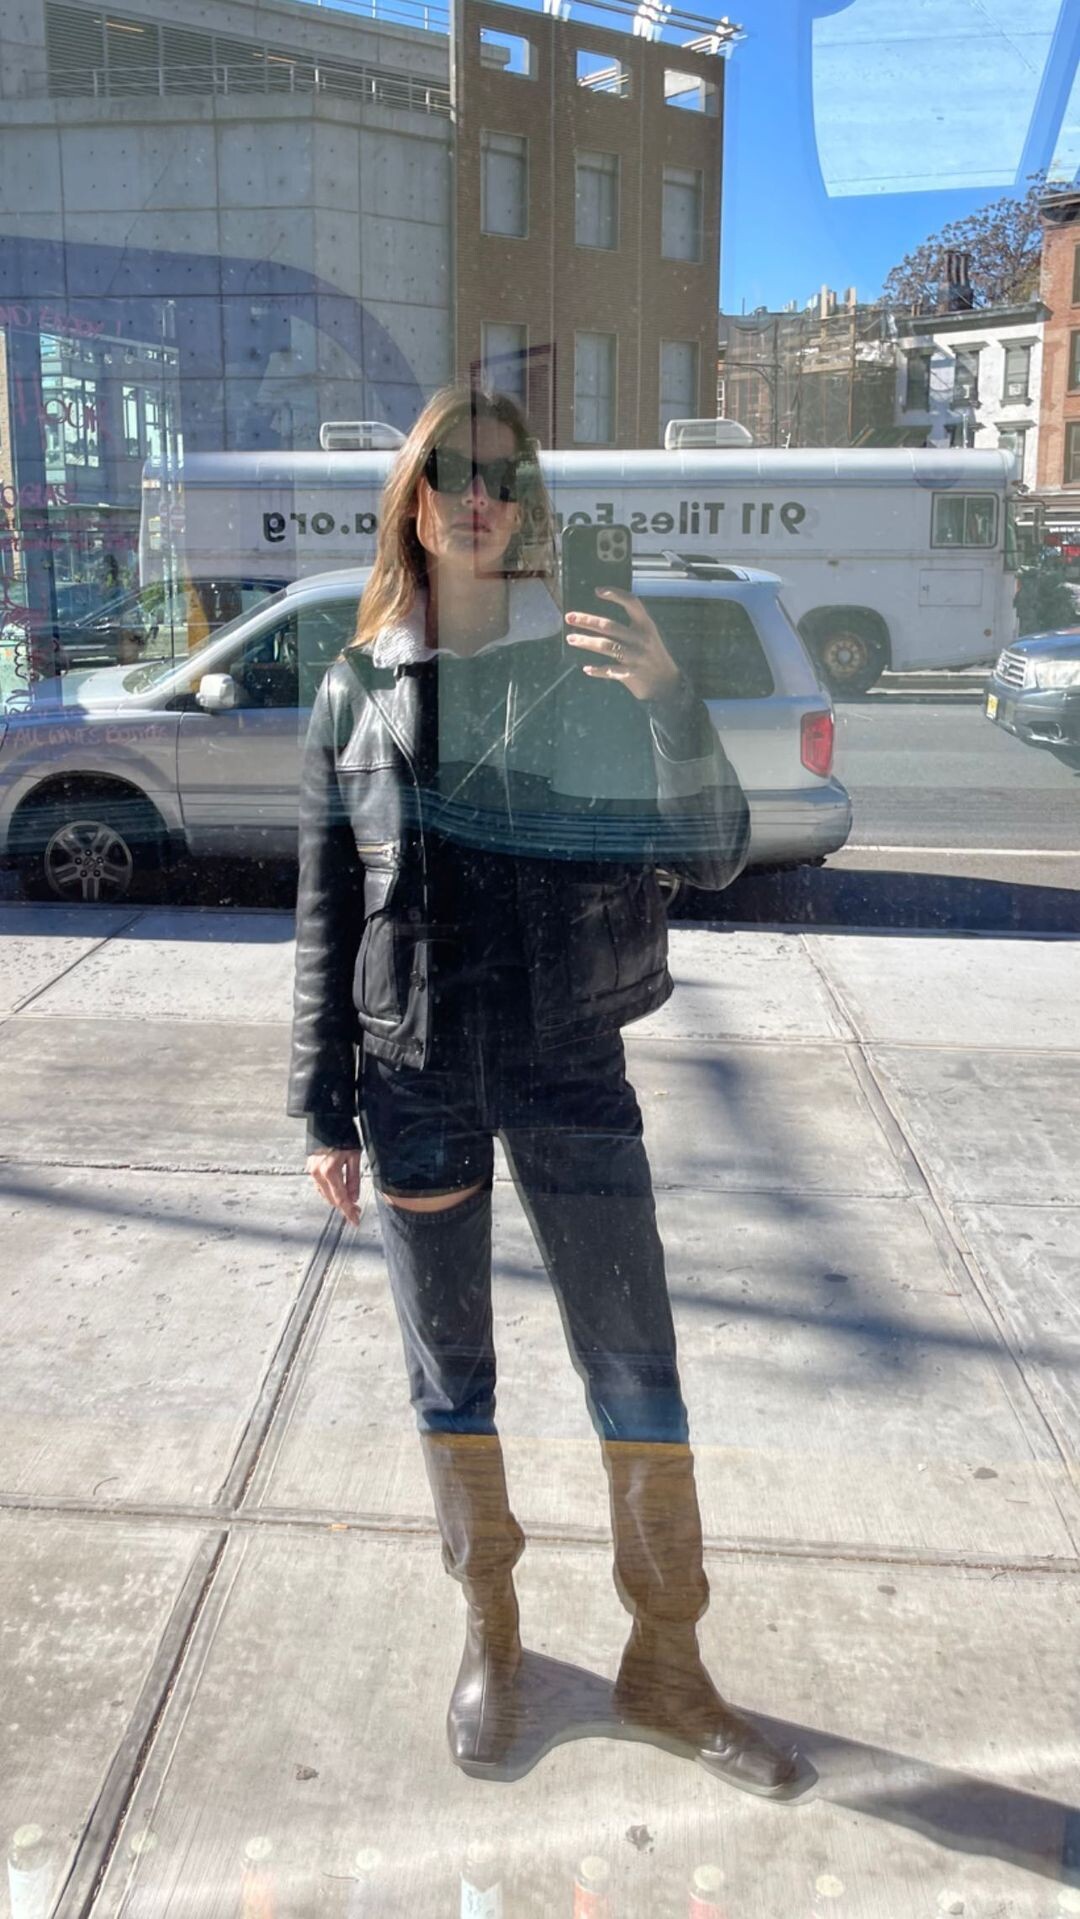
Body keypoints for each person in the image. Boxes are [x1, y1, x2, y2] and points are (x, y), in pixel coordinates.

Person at [288, 384, 798, 1796]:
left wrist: (670, 699)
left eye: (502, 476)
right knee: (450, 1367)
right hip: (415, 1075)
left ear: (528, 507)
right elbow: (328, 914)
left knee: (634, 1358)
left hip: (570, 1060)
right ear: (411, 497)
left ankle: (667, 1661)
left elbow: (711, 853)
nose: (477, 496)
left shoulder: (588, 662)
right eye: (451, 471)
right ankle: (494, 1637)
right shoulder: (355, 687)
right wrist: (321, 1110)